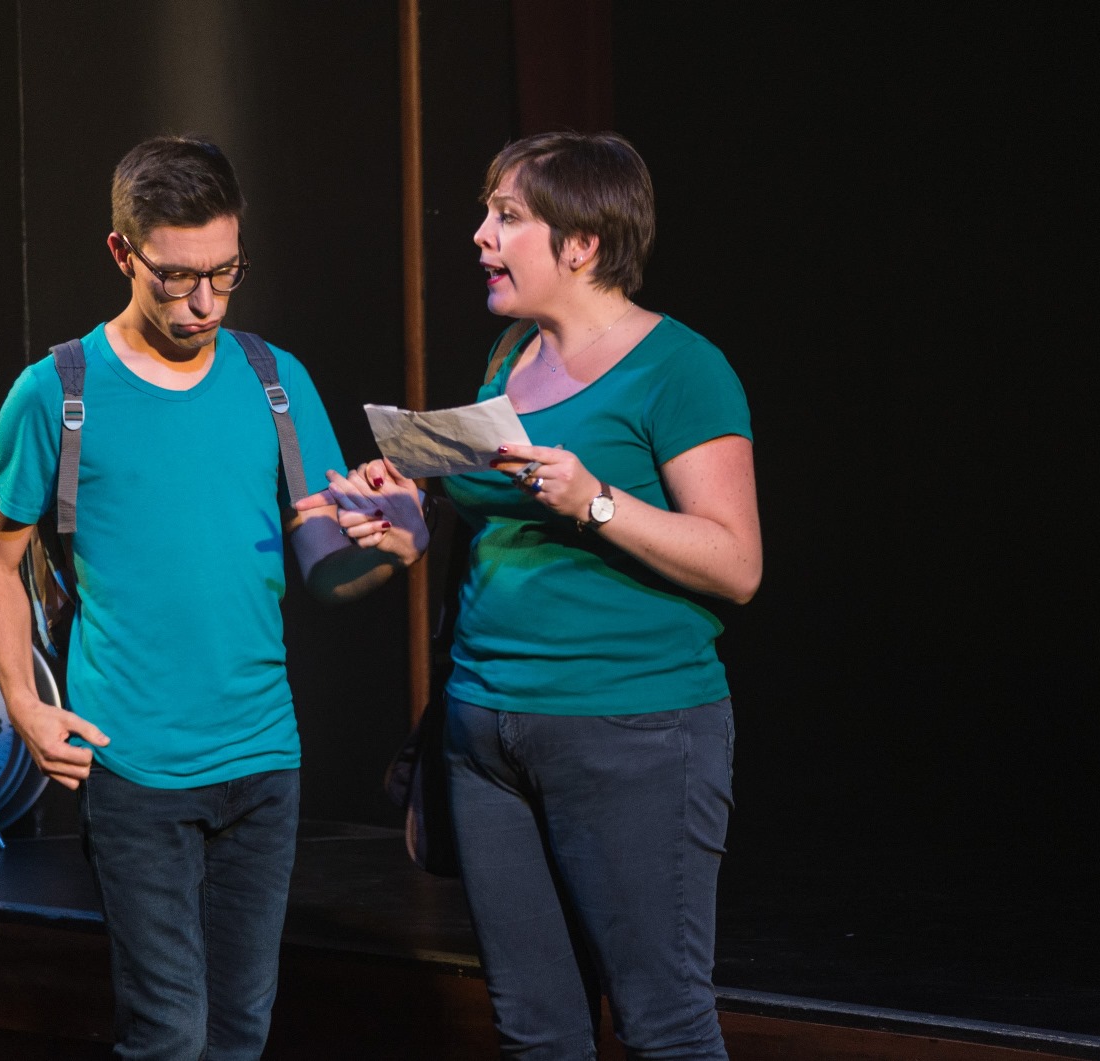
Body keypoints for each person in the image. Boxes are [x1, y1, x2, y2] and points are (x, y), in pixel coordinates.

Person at [304, 130, 761, 1059]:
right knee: (535, 1030)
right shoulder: (513, 352)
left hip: (630, 732)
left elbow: (735, 561)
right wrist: (412, 509)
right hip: (485, 732)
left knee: (663, 1024)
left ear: (582, 243)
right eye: (488, 213)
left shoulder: (680, 368)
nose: (480, 234)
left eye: (507, 217)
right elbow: (496, 515)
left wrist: (597, 500)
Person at [0, 133, 423, 1061]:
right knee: (168, 1034)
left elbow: (328, 567)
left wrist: (402, 545)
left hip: (263, 761)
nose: (206, 302)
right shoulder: (57, 393)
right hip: (134, 768)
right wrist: (24, 703)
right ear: (122, 252)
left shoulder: (276, 381)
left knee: (240, 1032)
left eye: (225, 273)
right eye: (178, 278)